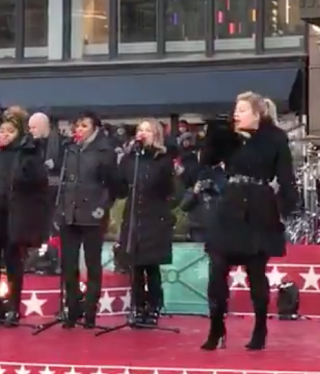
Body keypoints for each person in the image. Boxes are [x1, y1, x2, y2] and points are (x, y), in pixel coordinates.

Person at [200, 92, 298, 351]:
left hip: (259, 206)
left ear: (257, 113)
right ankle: (216, 327)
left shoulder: (274, 138)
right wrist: (216, 136)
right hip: (230, 205)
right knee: (217, 268)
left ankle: (260, 328)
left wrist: (288, 206)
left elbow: (286, 175)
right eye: (236, 109)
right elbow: (206, 161)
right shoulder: (229, 138)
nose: (236, 114)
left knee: (256, 273)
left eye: (242, 110)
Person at [0, 107, 50, 325]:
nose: (4, 135)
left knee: (14, 261)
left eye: (10, 131)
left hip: (15, 214)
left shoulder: (26, 154)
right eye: (2, 130)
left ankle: (14, 307)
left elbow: (37, 181)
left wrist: (32, 154)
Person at [57, 111, 119, 328]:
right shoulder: (69, 149)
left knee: (93, 264)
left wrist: (103, 206)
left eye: (84, 125)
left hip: (93, 212)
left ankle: (91, 311)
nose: (79, 130)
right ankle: (72, 309)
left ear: (95, 128)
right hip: (69, 213)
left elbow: (113, 184)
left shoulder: (105, 150)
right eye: (77, 126)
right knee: (69, 264)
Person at [118, 119, 177, 321]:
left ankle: (153, 306)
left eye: (147, 130)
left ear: (156, 134)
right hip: (134, 214)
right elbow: (121, 186)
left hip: (154, 215)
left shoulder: (162, 159)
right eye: (140, 130)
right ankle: (137, 305)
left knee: (151, 264)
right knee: (134, 264)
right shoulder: (130, 159)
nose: (142, 133)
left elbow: (170, 190)